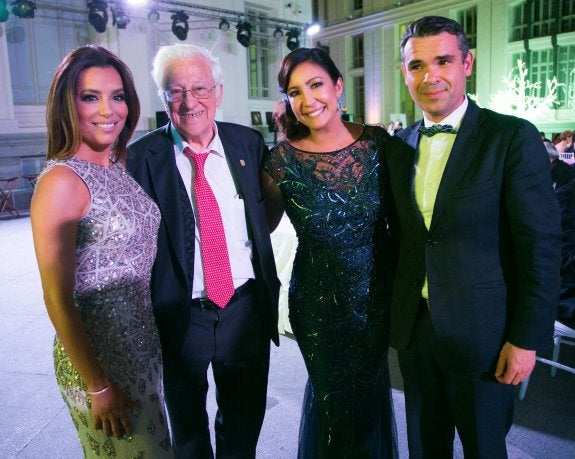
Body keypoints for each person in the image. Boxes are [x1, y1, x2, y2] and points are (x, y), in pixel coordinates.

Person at [386, 16, 561, 458]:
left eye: (442, 61)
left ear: (467, 62)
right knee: (425, 447)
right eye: (416, 65)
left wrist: (526, 338)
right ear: (404, 73)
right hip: (417, 330)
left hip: (486, 334)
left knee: (484, 448)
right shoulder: (399, 145)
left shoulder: (510, 137)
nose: (430, 76)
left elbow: (540, 248)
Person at [126, 44, 280, 459]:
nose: (189, 101)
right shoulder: (140, 159)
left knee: (244, 423)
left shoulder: (247, 143)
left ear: (218, 92)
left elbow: (264, 217)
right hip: (181, 316)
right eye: (175, 92)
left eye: (199, 88)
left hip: (244, 311)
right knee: (188, 430)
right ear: (163, 99)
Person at [262, 47, 407, 458]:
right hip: (318, 306)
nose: (308, 100)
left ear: (338, 86)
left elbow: (405, 222)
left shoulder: (379, 143)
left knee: (369, 398)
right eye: (295, 91)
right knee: (333, 406)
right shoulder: (280, 162)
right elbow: (259, 231)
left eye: (316, 85)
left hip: (374, 298)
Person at [30, 45, 171, 457]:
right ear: (66, 104)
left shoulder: (116, 166)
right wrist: (98, 385)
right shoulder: (62, 181)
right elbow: (56, 297)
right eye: (90, 97)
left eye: (118, 96)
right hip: (99, 365)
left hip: (141, 351)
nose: (108, 110)